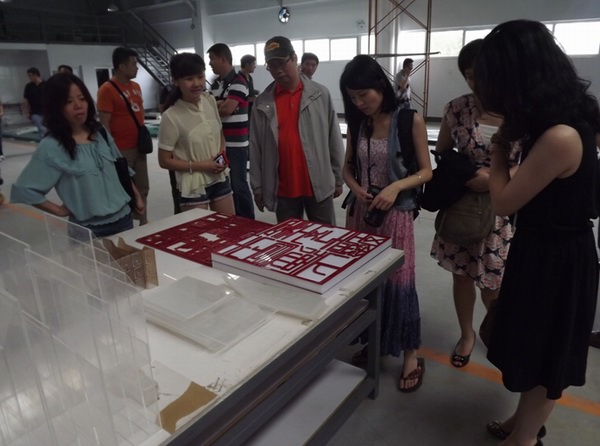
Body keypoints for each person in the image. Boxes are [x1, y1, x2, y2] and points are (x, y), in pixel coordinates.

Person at [476, 20, 599, 446]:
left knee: (548, 358)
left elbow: (503, 201)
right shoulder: (563, 120)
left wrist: (497, 148)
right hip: (541, 249)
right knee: (534, 348)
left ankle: (524, 439)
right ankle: (522, 423)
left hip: (558, 260)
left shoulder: (561, 135)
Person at [339, 54, 432, 392]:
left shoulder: (408, 120)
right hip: (362, 215)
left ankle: (410, 353)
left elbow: (427, 171)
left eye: (363, 95)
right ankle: (376, 340)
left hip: (396, 217)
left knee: (400, 282)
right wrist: (356, 188)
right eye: (352, 97)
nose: (359, 103)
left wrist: (395, 187)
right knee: (366, 283)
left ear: (380, 85)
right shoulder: (359, 124)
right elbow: (347, 168)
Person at [430, 39, 520, 369]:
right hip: (465, 205)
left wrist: (498, 177)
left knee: (494, 281)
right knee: (462, 276)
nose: (476, 82)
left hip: (504, 209)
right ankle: (466, 334)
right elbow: (442, 152)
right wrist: (469, 175)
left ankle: (495, 333)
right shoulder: (457, 108)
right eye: (469, 75)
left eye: (482, 73)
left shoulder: (521, 111)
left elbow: (534, 161)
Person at [11, 73, 144, 238]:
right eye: (68, 101)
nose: (78, 106)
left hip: (124, 220)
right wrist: (59, 211)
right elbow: (25, 189)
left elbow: (121, 168)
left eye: (82, 99)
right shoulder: (52, 146)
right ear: (56, 106)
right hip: (88, 230)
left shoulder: (100, 133)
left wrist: (136, 196)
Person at [250, 36, 344, 225]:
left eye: (281, 63)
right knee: (288, 238)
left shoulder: (319, 94)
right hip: (283, 189)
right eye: (271, 66)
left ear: (294, 58)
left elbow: (333, 138)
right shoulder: (263, 103)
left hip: (318, 185)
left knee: (325, 236)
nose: (277, 70)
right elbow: (255, 148)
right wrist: (258, 187)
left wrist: (337, 176)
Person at [158, 53, 234, 215]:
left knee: (229, 226)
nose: (197, 83)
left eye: (200, 77)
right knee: (200, 231)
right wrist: (203, 165)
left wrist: (222, 155)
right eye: (189, 79)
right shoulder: (171, 116)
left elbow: (219, 133)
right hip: (193, 184)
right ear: (176, 81)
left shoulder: (209, 101)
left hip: (219, 176)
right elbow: (164, 161)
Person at [97, 47, 149, 225]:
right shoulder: (107, 90)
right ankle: (125, 223)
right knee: (124, 188)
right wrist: (111, 151)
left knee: (142, 186)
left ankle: (143, 221)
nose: (137, 67)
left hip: (139, 146)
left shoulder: (136, 87)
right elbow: (104, 124)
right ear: (122, 66)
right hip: (121, 149)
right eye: (133, 64)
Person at [208, 43, 254, 219]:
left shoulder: (239, 81)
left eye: (212, 59)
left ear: (222, 59)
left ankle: (248, 222)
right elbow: (207, 108)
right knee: (224, 185)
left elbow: (226, 109)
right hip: (220, 144)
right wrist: (220, 105)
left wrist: (219, 106)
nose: (210, 63)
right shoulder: (216, 84)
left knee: (238, 185)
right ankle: (234, 220)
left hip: (236, 145)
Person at [23, 67, 47, 138]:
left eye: (30, 75)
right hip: (35, 112)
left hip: (46, 111)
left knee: (47, 129)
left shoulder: (46, 85)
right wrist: (27, 112)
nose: (29, 77)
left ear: (36, 75)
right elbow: (26, 99)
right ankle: (43, 141)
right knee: (41, 128)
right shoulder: (28, 86)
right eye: (28, 76)